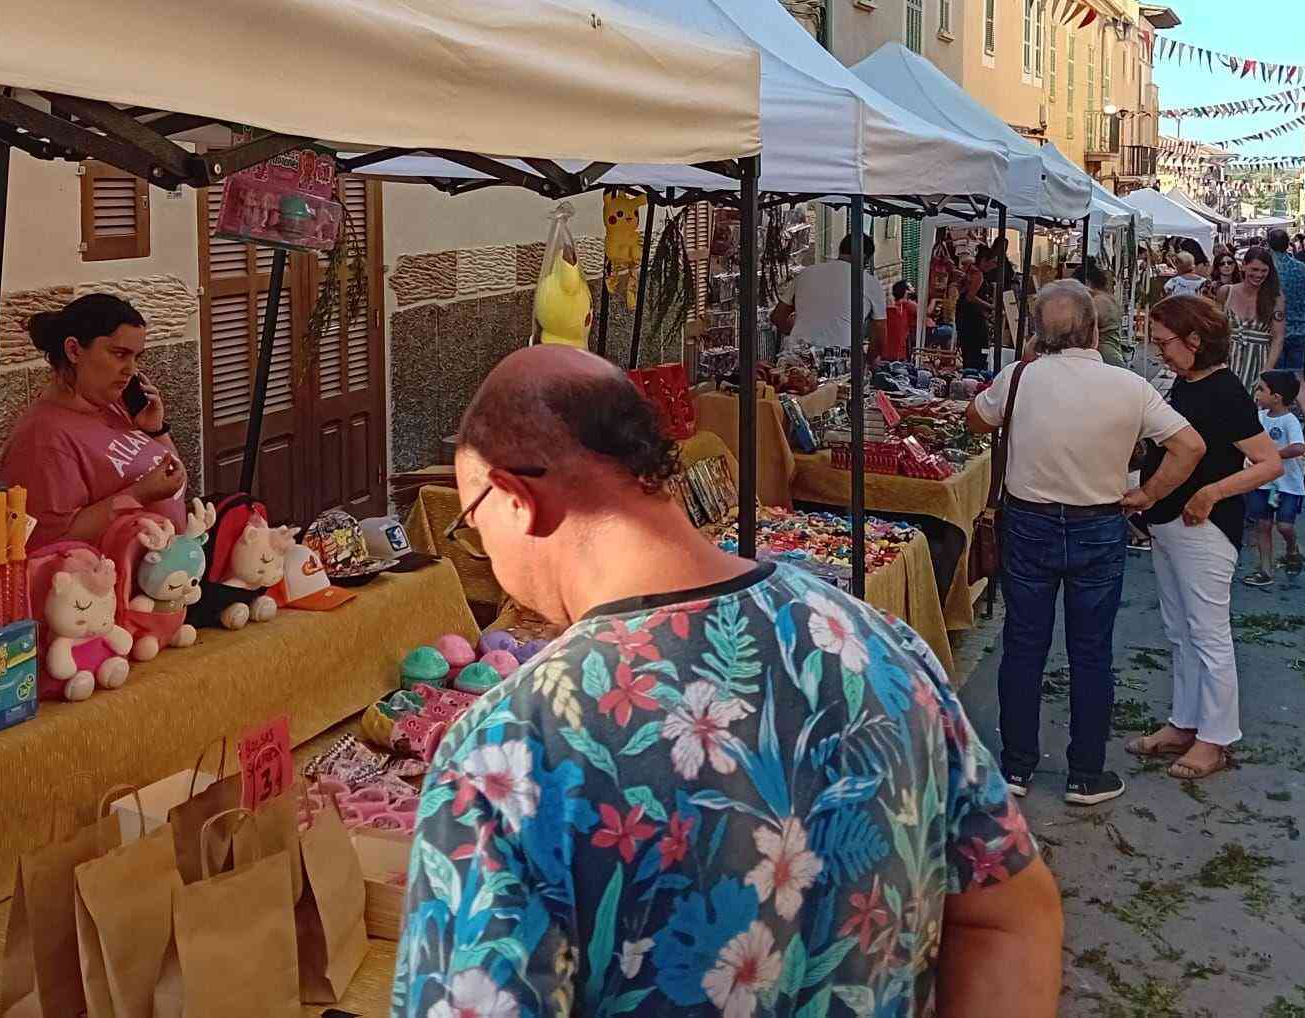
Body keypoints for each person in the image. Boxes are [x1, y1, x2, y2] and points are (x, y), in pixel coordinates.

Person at [395, 347, 1067, 1015]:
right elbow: (1009, 913)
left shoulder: (506, 756)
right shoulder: (882, 648)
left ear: (514, 502)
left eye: (471, 527)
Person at [966, 282, 1205, 805]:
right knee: (1091, 651)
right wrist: (1146, 494)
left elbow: (975, 419)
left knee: (1023, 646)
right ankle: (1085, 772)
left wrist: (1026, 367)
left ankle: (1017, 767)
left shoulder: (1020, 376)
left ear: (1037, 333)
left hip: (1029, 522)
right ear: (1095, 329)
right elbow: (1189, 446)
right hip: (1099, 521)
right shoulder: (1129, 386)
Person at [1124, 297, 1284, 783]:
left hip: (1204, 530)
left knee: (1209, 633)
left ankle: (1216, 736)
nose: (1160, 353)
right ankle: (1185, 721)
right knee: (1180, 630)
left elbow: (1269, 463)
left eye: (1164, 343)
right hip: (1169, 524)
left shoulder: (1224, 392)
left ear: (1195, 340)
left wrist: (1211, 493)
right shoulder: (1185, 385)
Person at [0, 293, 188, 544]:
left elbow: (172, 471)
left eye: (136, 357)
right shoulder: (42, 439)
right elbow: (53, 541)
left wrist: (156, 430)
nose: (131, 370)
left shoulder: (113, 405)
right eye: (119, 354)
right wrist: (138, 495)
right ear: (74, 350)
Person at [1242, 370, 1305, 587]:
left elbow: (1299, 447)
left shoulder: (1289, 421)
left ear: (1276, 397)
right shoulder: (1258, 418)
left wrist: (1272, 455)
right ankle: (1265, 569)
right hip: (1263, 482)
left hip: (1287, 484)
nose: (1256, 393)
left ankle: (1291, 547)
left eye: (1261, 389)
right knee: (1263, 524)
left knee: (1284, 525)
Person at [776, 232, 885, 354]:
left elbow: (777, 316)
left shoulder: (806, 273)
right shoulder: (870, 282)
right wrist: (869, 361)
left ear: (841, 250)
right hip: (842, 357)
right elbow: (880, 332)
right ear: (864, 257)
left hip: (799, 355)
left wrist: (796, 334)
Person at [1221, 246, 1285, 389]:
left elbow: (1278, 337)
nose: (1259, 275)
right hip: (1227, 363)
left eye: (1264, 271)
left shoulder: (1275, 298)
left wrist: (1267, 371)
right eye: (1254, 269)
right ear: (1243, 266)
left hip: (1258, 365)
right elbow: (1216, 331)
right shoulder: (1226, 292)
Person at [1266, 230, 1305, 399]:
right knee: (1298, 375)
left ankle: (1277, 411)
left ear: (1269, 244)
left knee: (1273, 375)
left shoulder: (1268, 269)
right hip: (1298, 326)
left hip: (1274, 329)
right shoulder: (1300, 267)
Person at [1082, 262, 1133, 367]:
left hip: (1103, 354)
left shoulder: (1097, 301)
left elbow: (1086, 327)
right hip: (1114, 350)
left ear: (1088, 283)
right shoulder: (1111, 299)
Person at [881, 279, 919, 362]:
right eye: (910, 286)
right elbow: (923, 313)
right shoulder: (907, 304)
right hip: (908, 337)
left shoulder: (894, 305)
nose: (913, 288)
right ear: (906, 291)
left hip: (892, 344)